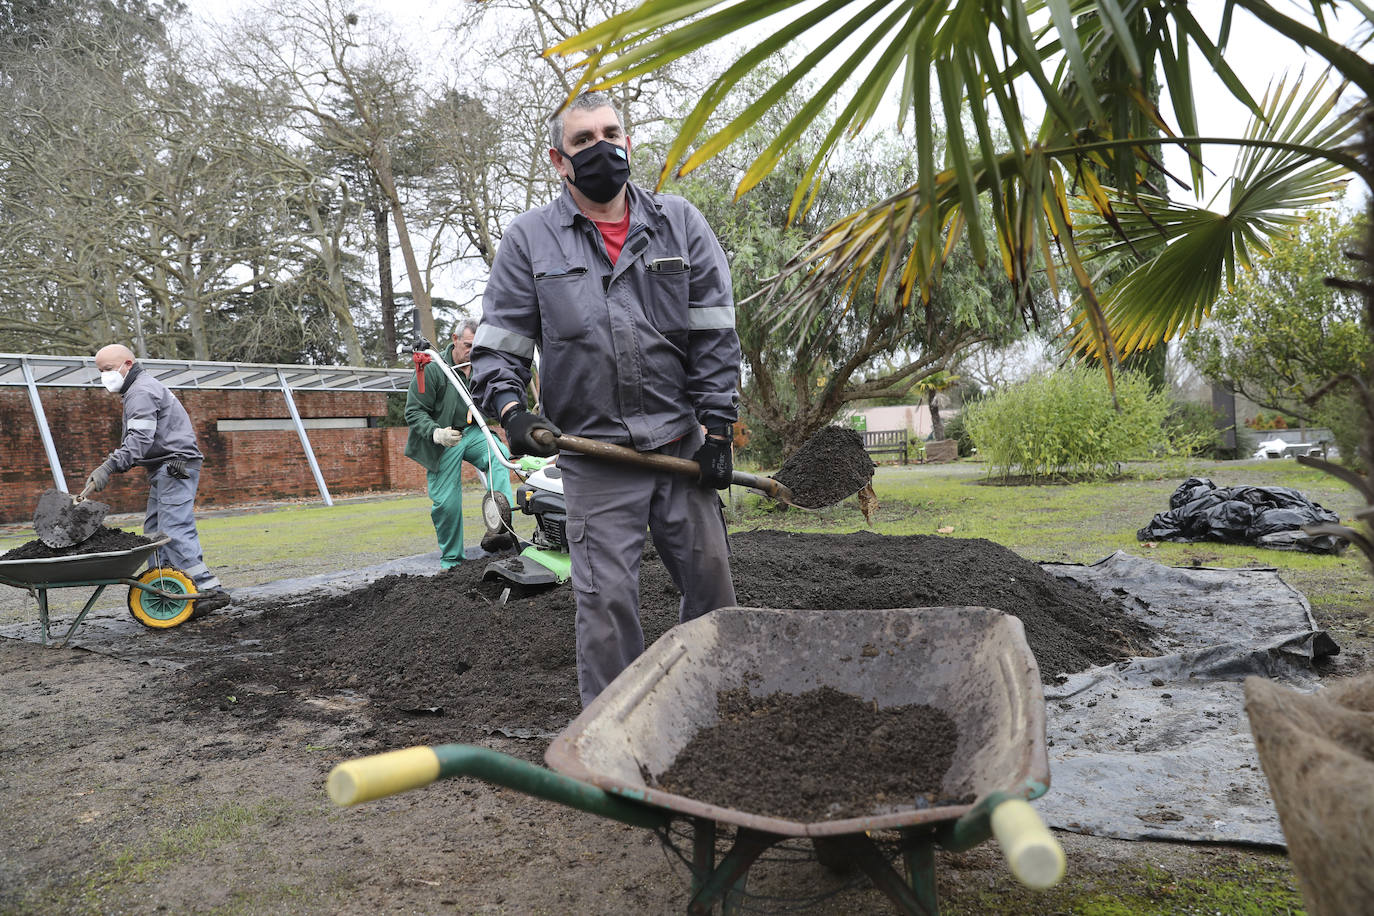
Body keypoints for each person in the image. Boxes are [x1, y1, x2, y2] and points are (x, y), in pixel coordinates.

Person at [471, 91, 741, 706]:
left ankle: (715, 709)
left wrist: (718, 428)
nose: (602, 148)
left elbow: (714, 332)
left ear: (628, 141)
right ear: (559, 161)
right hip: (593, 456)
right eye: (583, 140)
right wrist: (513, 410)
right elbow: (498, 348)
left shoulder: (679, 223)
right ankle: (615, 745)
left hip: (681, 447)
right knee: (607, 605)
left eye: (610, 133)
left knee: (713, 589)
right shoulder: (530, 241)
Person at [85, 344, 230, 612]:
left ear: (127, 364)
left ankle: (208, 591)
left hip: (175, 465)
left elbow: (140, 439)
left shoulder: (140, 391)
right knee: (154, 532)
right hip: (164, 467)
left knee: (174, 530)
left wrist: (109, 466)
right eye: (100, 371)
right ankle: (170, 587)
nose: (104, 376)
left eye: (107, 369)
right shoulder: (136, 390)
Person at [405, 318, 517, 570]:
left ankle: (499, 527)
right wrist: (436, 433)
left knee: (499, 455)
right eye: (467, 344)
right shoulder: (434, 368)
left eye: (476, 345)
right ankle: (452, 561)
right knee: (447, 503)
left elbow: (493, 400)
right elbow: (413, 412)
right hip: (444, 440)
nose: (472, 350)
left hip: (472, 432)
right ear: (455, 340)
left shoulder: (480, 367)